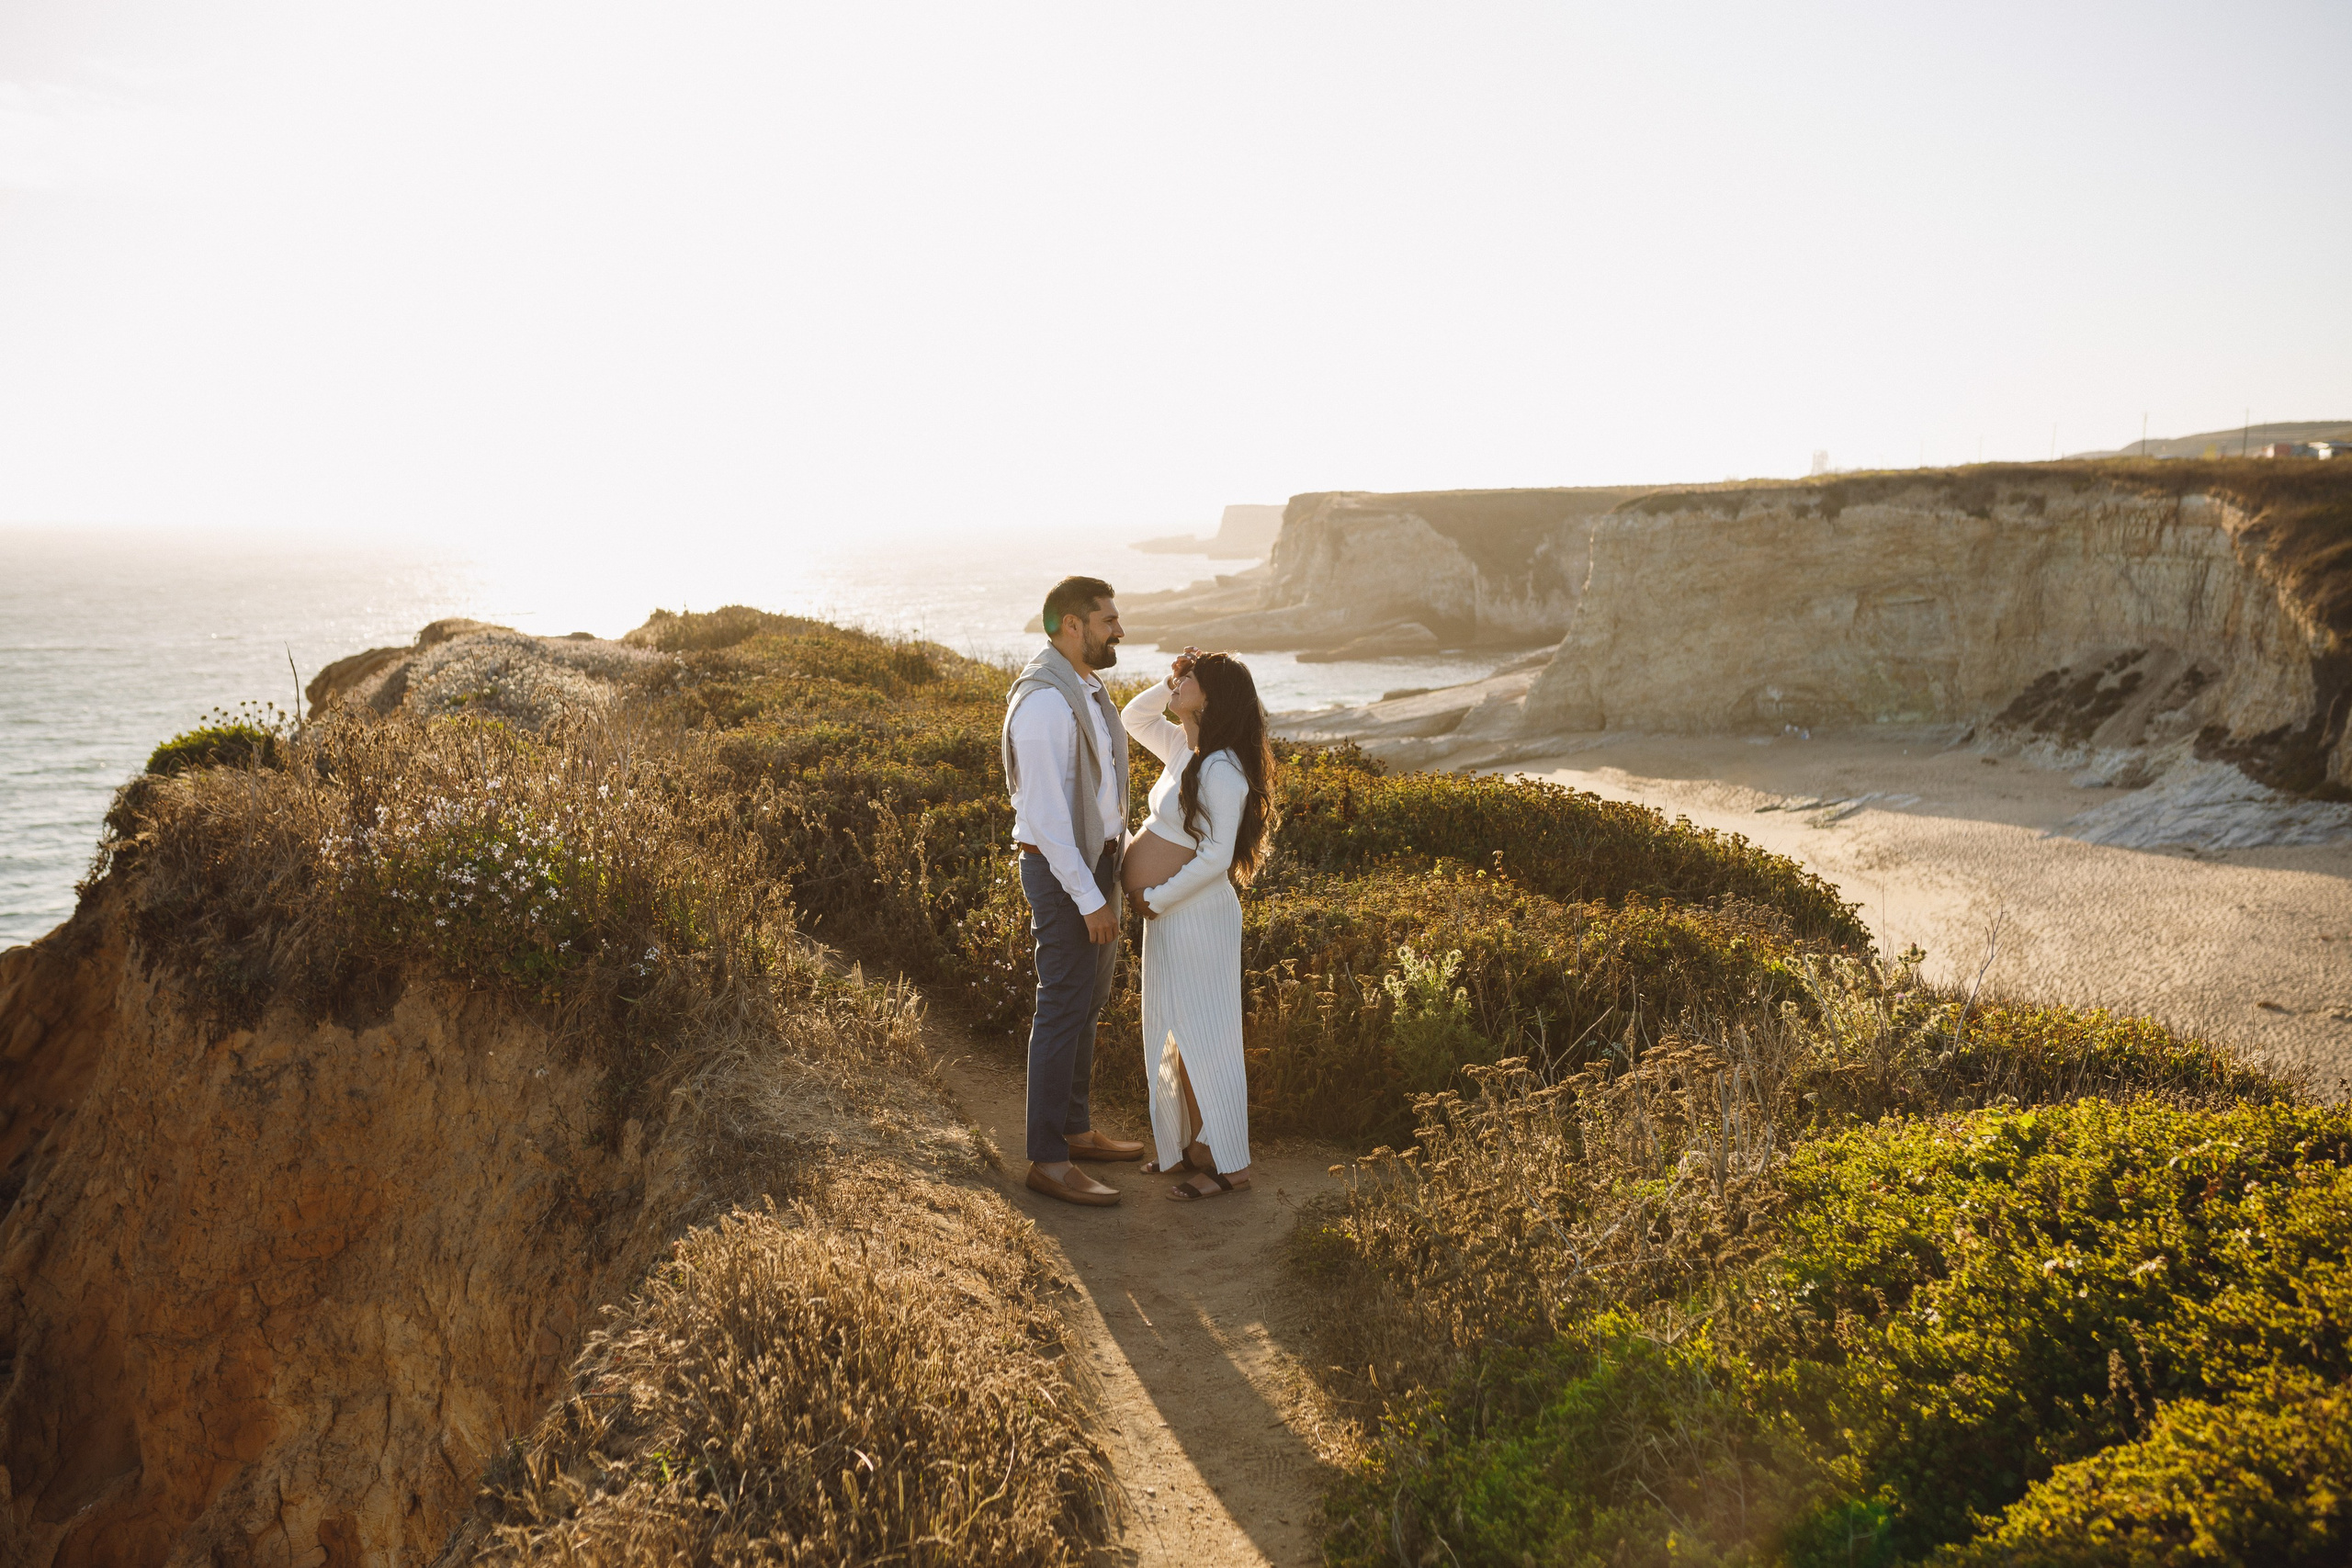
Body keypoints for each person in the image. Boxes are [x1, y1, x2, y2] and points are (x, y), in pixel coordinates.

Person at [1002, 576, 1148, 1206]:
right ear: (1071, 624)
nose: (1119, 630)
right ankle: (1047, 1157)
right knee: (1062, 1003)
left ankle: (1076, 1127)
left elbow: (1098, 790)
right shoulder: (1042, 703)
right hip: (1066, 873)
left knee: (1087, 1001)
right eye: (1108, 620)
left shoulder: (1087, 688)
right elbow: (1046, 815)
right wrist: (1088, 897)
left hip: (1099, 865)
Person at [1119, 646, 1275, 1201]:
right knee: (1172, 1032)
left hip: (1195, 917)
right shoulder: (1189, 752)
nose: (1182, 680)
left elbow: (1215, 858)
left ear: (1216, 697)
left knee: (1207, 1037)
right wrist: (1173, 682)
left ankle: (1230, 1165)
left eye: (1193, 678)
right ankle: (1190, 1147)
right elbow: (1132, 718)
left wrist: (1156, 897)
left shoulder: (1223, 767)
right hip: (1169, 915)